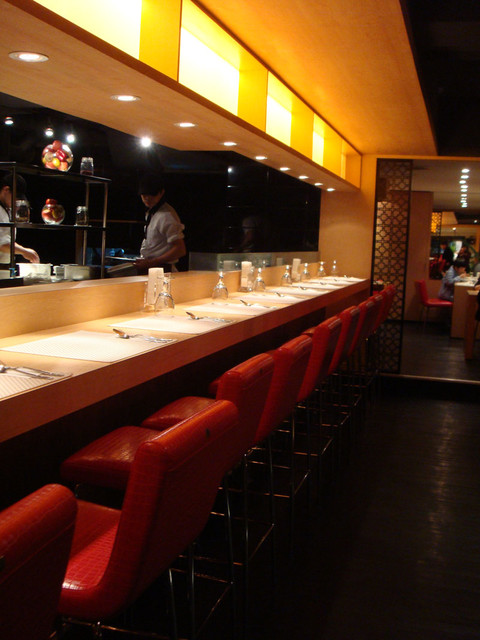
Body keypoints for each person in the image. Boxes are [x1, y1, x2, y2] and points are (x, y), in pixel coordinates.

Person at [134, 171, 186, 275]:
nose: (147, 198)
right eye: (144, 195)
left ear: (161, 193)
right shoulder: (151, 212)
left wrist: (151, 262)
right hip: (151, 268)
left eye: (152, 195)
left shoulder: (167, 215)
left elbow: (180, 250)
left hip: (163, 270)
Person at [0, 172, 39, 266]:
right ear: (6, 190)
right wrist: (24, 251)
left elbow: (6, 240)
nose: (16, 202)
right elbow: (1, 244)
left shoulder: (6, 210)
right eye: (15, 198)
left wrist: (23, 250)